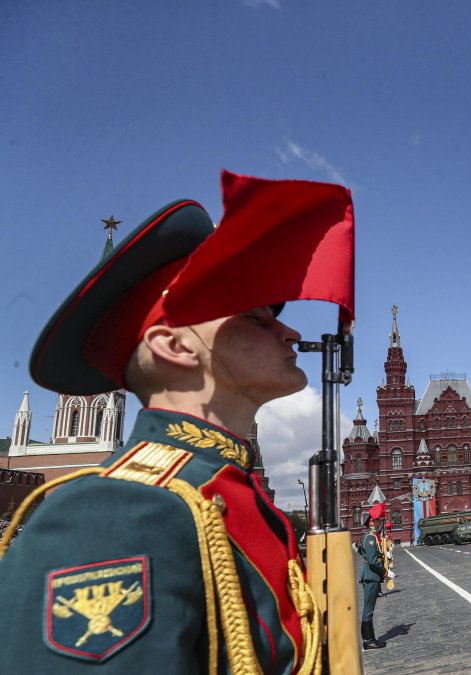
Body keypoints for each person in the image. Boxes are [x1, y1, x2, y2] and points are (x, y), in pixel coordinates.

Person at [0, 171, 354, 673]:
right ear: (175, 345)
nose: (291, 330)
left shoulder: (225, 493)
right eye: (256, 316)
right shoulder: (116, 517)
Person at [357, 504, 387, 650]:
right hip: (371, 576)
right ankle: (368, 641)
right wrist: (384, 571)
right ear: (371, 522)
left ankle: (370, 639)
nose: (380, 523)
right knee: (368, 610)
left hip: (372, 576)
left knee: (370, 609)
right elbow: (373, 560)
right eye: (377, 521)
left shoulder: (373, 537)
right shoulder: (370, 538)